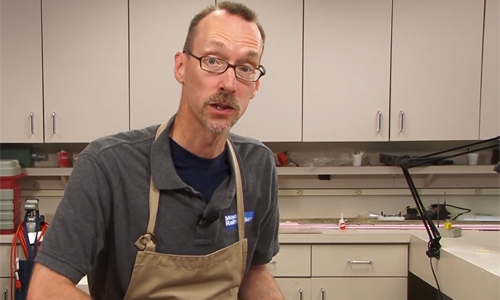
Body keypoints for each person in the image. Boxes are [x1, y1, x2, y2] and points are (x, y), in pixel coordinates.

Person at [27, 2, 284, 300]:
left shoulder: (258, 165)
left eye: (245, 68)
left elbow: (254, 270)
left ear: (255, 86)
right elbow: (46, 290)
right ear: (180, 67)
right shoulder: (108, 166)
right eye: (213, 60)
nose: (229, 83)